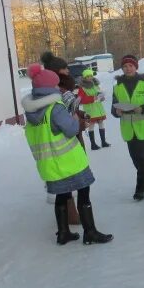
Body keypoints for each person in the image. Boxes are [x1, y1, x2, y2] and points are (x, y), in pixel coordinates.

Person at [21, 64, 113, 245]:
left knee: (62, 196)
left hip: (50, 166)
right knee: (84, 193)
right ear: (49, 87)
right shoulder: (55, 108)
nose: (57, 87)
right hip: (70, 162)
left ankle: (63, 233)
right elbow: (71, 129)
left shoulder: (31, 112)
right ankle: (90, 232)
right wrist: (77, 120)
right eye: (55, 84)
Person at [41, 51, 86, 224]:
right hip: (65, 140)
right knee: (70, 178)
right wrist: (80, 124)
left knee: (69, 177)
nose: (68, 71)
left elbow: (69, 112)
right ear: (56, 72)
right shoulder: (55, 91)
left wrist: (81, 114)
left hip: (70, 137)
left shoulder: (60, 87)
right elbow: (62, 120)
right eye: (64, 69)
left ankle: (70, 217)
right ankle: (72, 217)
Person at [111, 55, 144, 201]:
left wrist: (142, 108)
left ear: (136, 67)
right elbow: (113, 107)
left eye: (131, 66)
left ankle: (141, 188)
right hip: (128, 129)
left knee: (141, 158)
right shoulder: (117, 86)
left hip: (143, 127)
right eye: (125, 66)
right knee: (136, 159)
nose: (128, 69)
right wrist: (116, 111)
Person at [78, 69, 110, 150]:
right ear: (84, 78)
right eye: (87, 76)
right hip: (90, 110)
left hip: (99, 108)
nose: (90, 78)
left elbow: (99, 93)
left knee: (101, 123)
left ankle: (103, 142)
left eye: (91, 76)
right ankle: (93, 144)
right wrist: (93, 98)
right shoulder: (82, 88)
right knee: (91, 125)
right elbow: (81, 99)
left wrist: (101, 97)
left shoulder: (96, 85)